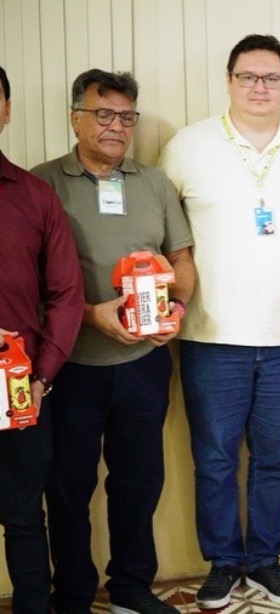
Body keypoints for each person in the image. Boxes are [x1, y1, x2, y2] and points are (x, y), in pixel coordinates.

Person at [158, 34, 280, 609]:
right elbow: (162, 233)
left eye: (271, 78)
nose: (260, 87)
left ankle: (265, 562)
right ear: (229, 81)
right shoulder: (188, 146)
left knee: (274, 460)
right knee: (214, 460)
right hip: (210, 335)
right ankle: (222, 563)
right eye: (248, 76)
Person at [32, 69, 195, 614]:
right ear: (75, 118)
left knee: (139, 481)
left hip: (143, 363)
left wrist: (177, 308)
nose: (116, 126)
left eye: (126, 116)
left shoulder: (154, 183)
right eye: (103, 114)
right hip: (69, 364)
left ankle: (130, 587)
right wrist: (88, 315)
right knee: (68, 486)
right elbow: (25, 282)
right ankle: (73, 594)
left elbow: (181, 260)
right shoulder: (41, 184)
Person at [0, 65, 84, 613]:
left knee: (24, 514)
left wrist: (42, 375)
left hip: (18, 384)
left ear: (6, 110)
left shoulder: (34, 196)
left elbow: (66, 294)